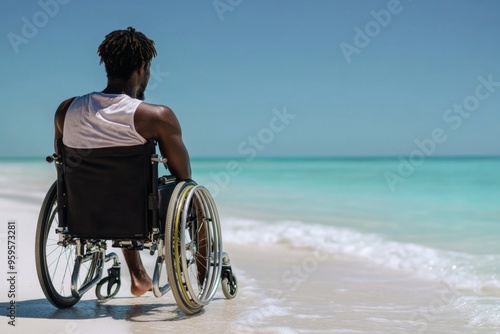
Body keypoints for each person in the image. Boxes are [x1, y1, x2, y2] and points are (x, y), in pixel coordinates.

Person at [53, 27, 192, 297]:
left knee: (121, 190)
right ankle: (197, 276)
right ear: (142, 67)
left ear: (106, 64)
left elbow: (63, 166)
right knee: (190, 194)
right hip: (135, 214)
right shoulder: (156, 116)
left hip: (84, 213)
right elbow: (183, 175)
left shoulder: (66, 110)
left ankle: (139, 276)